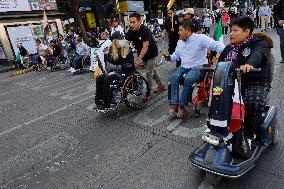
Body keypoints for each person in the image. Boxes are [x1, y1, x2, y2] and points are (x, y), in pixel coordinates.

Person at [218, 16, 271, 140]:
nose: (231, 34)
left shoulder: (258, 44)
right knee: (217, 103)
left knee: (253, 104)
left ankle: (248, 133)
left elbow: (259, 54)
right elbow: (220, 63)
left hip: (254, 82)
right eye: (231, 30)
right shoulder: (228, 48)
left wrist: (249, 64)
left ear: (247, 32)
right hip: (232, 83)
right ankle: (219, 129)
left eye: (235, 31)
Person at [165, 20, 224, 118]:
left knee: (188, 79)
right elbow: (176, 55)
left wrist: (227, 52)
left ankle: (182, 106)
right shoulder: (180, 41)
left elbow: (216, 45)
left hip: (198, 67)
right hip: (184, 66)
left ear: (187, 31)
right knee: (173, 78)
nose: (178, 32)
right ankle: (174, 104)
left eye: (180, 30)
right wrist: (170, 57)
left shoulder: (201, 38)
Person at [126, 12, 166, 101]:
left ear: (139, 21)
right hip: (142, 53)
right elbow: (126, 44)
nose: (131, 24)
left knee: (149, 74)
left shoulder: (145, 30)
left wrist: (138, 59)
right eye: (130, 22)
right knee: (152, 71)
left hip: (151, 53)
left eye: (134, 22)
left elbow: (145, 46)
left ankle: (148, 94)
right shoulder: (130, 31)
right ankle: (161, 86)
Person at [95, 32, 135, 110]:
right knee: (99, 78)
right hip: (115, 71)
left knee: (108, 78)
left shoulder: (128, 49)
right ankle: (99, 101)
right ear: (114, 41)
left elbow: (129, 65)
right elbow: (109, 63)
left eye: (122, 39)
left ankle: (106, 103)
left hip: (125, 73)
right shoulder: (112, 50)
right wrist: (111, 68)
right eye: (119, 39)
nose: (122, 41)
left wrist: (115, 68)